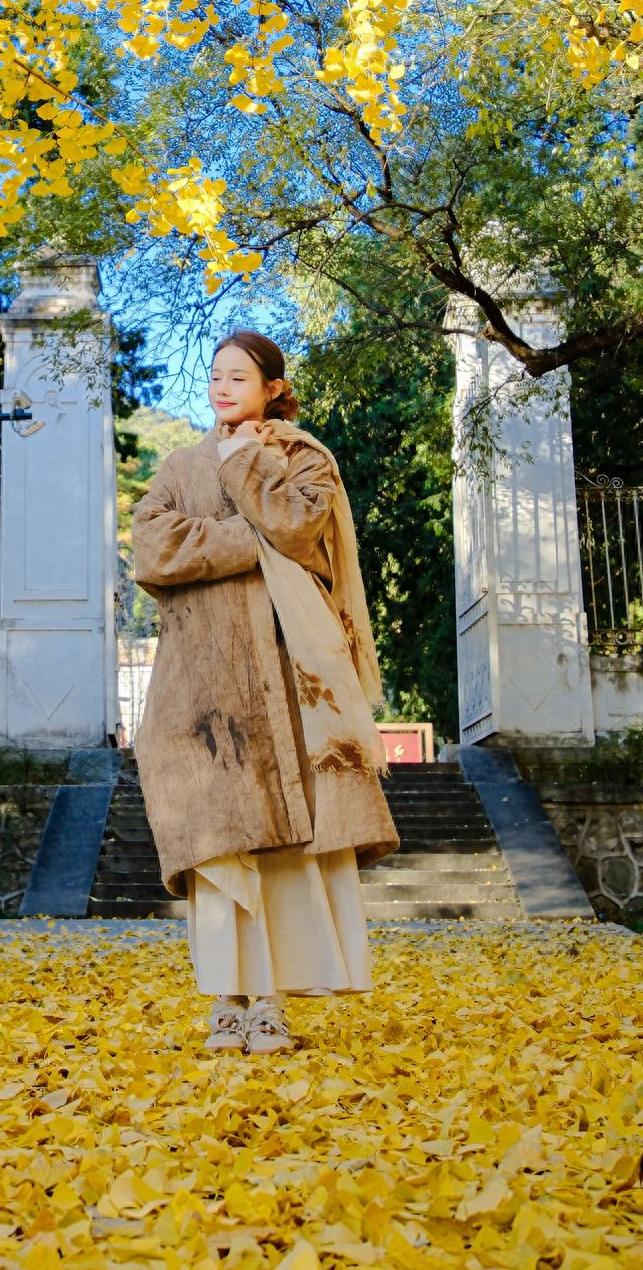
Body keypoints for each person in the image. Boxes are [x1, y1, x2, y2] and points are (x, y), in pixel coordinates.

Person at [132, 330, 398, 1055]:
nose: (221, 387)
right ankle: (225, 1002)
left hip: (286, 680)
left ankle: (271, 1004)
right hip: (199, 685)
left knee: (284, 842)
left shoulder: (305, 457)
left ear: (273, 387)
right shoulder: (181, 465)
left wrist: (246, 465)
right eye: (214, 375)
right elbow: (151, 548)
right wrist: (249, 543)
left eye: (238, 376)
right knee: (217, 843)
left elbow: (300, 526)